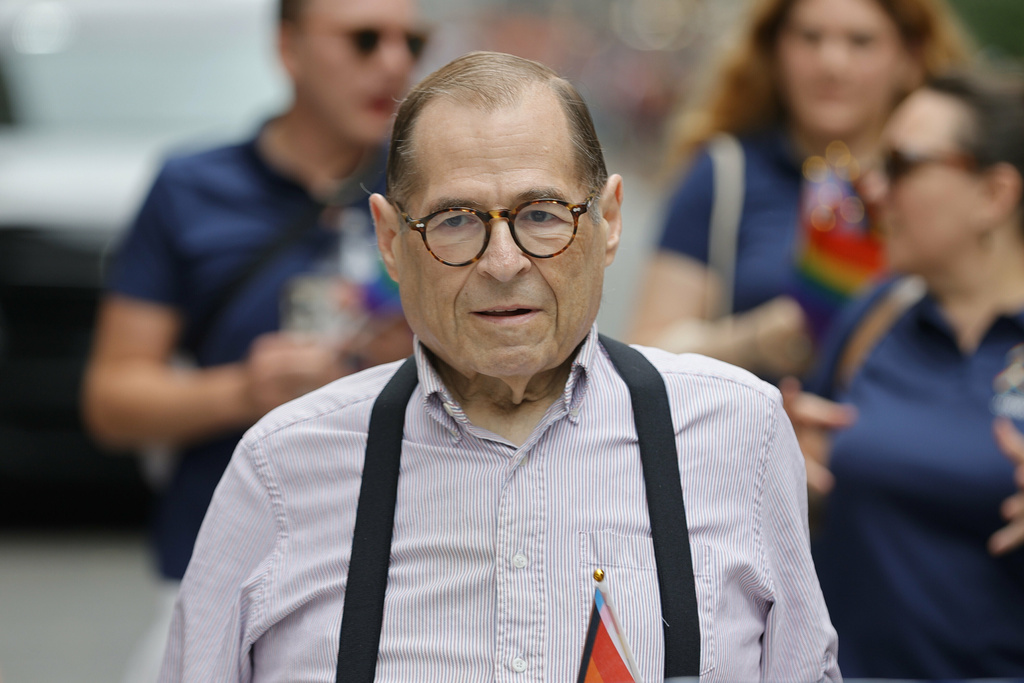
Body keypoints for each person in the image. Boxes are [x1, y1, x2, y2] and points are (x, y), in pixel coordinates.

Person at [158, 51, 840, 682]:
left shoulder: (738, 433)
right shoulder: (285, 469)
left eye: (542, 214)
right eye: (456, 220)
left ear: (609, 221)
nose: (504, 261)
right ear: (392, 241)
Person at [81, 0, 425, 679]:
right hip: (221, 564)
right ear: (288, 48)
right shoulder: (193, 188)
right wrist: (246, 389)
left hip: (408, 565)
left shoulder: (437, 191)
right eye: (363, 39)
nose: (394, 61)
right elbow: (113, 399)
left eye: (411, 40)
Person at [786, 71, 1024, 678]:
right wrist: (786, 461)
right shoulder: (875, 313)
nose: (872, 184)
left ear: (994, 193)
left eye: (902, 163)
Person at [628, 0, 968, 379]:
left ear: (910, 58)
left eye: (861, 41)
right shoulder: (725, 173)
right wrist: (756, 341)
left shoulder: (951, 186)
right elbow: (647, 355)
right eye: (810, 37)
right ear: (775, 50)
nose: (832, 63)